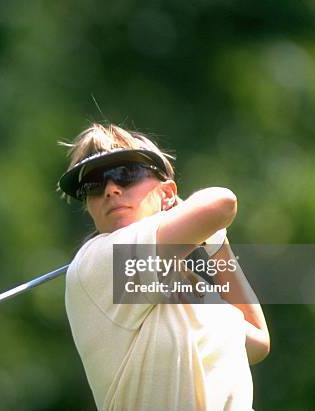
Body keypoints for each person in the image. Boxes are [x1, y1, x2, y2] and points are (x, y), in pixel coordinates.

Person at [58, 123, 270, 411]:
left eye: (126, 174)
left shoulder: (186, 289)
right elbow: (222, 203)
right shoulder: (99, 260)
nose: (110, 189)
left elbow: (257, 341)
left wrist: (218, 246)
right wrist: (201, 225)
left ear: (167, 192)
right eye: (94, 184)